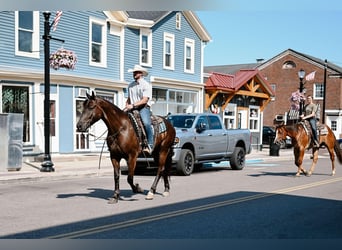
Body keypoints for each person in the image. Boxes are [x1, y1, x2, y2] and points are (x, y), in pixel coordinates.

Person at [125, 65, 154, 154]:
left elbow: (145, 100)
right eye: (134, 72)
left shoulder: (146, 85)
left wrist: (133, 105)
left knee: (146, 123)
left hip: (143, 107)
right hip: (132, 107)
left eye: (136, 72)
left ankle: (150, 144)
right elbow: (129, 98)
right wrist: (126, 105)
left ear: (141, 74)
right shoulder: (130, 85)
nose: (134, 74)